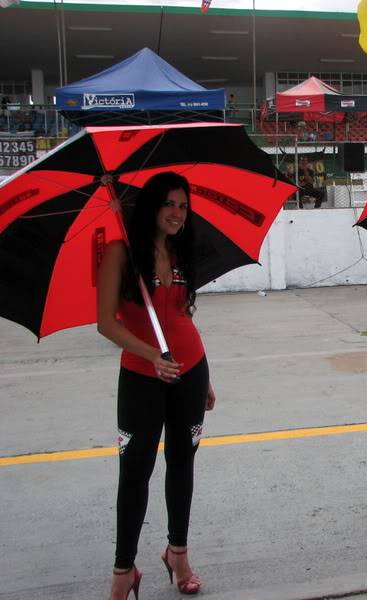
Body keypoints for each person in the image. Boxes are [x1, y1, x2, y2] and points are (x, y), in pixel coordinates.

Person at [97, 172, 215, 599]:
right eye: (169, 204)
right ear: (151, 207)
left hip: (190, 372)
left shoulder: (184, 251)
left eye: (183, 206)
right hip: (141, 376)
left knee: (182, 463)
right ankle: (123, 572)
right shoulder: (120, 253)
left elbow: (183, 318)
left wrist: (206, 377)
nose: (177, 213)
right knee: (134, 473)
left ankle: (177, 553)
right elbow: (105, 323)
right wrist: (151, 356)